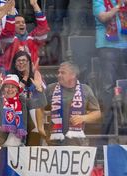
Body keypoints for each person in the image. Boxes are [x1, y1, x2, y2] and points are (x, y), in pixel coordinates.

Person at [44, 62, 102, 146]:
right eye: (58, 72)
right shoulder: (50, 88)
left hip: (76, 143)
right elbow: (39, 108)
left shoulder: (85, 89)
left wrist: (83, 118)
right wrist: (41, 129)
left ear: (73, 75)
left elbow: (97, 113)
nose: (59, 75)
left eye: (63, 73)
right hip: (54, 143)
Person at [93, 0, 127, 135]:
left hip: (125, 48)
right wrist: (119, 6)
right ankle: (107, 128)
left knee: (125, 86)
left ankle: (124, 120)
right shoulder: (99, 1)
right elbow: (103, 17)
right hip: (107, 49)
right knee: (108, 88)